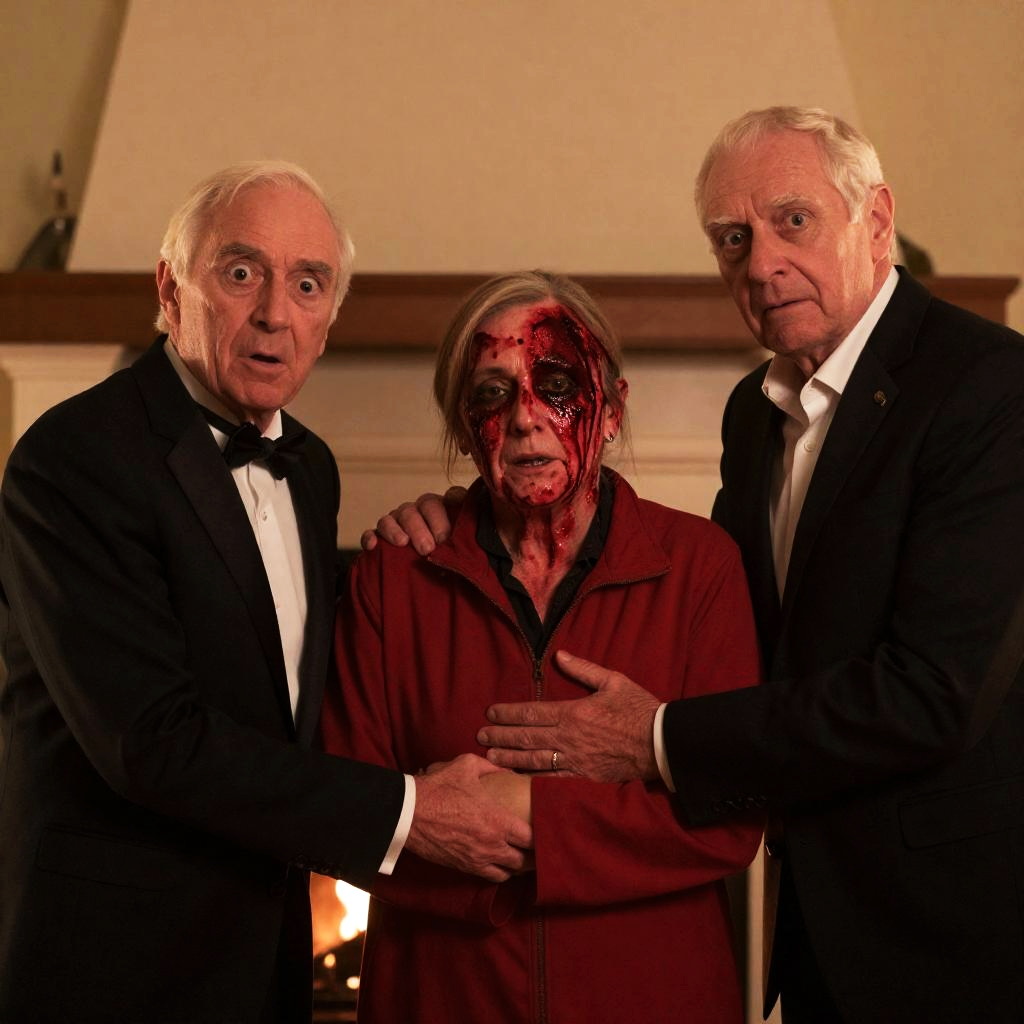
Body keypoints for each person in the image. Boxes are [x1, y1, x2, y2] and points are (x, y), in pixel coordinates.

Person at [371, 109, 1024, 1023]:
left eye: (793, 220)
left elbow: (935, 694)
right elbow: (732, 626)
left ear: (876, 220)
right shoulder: (754, 414)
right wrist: (466, 512)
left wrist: (653, 740)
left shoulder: (992, 385)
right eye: (732, 238)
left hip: (957, 930)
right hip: (820, 928)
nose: (761, 264)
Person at [0, 161, 531, 1024]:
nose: (275, 313)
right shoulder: (75, 459)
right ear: (170, 289)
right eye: (241, 272)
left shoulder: (309, 466)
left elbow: (274, 674)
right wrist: (410, 812)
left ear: (329, 319)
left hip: (262, 954)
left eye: (308, 284)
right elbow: (152, 743)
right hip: (114, 966)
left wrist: (420, 551)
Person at [324, 270, 762, 1023]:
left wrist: (527, 818)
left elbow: (730, 817)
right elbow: (340, 816)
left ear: (612, 408)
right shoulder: (390, 580)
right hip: (442, 1002)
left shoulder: (702, 567)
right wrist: (434, 824)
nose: (526, 417)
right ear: (465, 427)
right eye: (492, 394)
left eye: (557, 384)